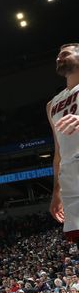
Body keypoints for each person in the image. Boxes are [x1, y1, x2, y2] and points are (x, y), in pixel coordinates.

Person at [48, 42, 79, 241]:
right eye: (58, 56)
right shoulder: (52, 104)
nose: (59, 58)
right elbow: (58, 152)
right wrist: (56, 191)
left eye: (65, 54)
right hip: (70, 178)